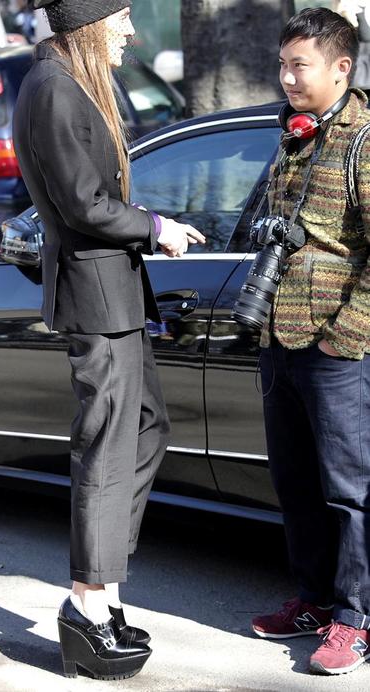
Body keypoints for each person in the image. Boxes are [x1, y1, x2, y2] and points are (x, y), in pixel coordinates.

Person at [12, 0, 205, 681]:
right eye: (120, 17)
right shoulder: (53, 89)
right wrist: (157, 227)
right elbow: (83, 204)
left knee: (145, 430)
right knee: (107, 448)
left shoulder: (65, 83)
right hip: (96, 302)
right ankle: (88, 606)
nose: (129, 30)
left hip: (114, 298)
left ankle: (103, 588)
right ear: (89, 23)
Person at [251, 7, 370, 676]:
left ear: (341, 68)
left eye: (300, 65)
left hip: (336, 346)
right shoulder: (293, 134)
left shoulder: (364, 138)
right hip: (280, 336)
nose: (287, 77)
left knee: (349, 492)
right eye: (283, 64)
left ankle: (356, 620)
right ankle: (314, 602)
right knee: (294, 482)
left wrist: (344, 337)